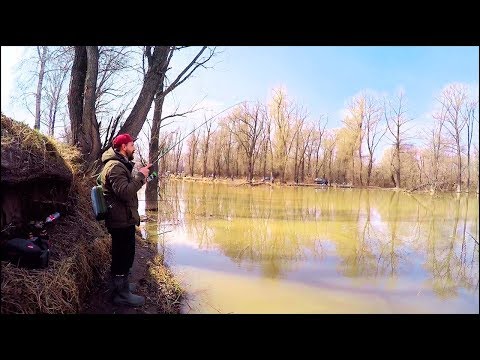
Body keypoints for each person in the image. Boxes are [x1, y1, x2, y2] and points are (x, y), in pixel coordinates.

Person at [100, 133, 152, 307]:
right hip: (120, 221)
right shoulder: (115, 166)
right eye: (131, 145)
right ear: (124, 147)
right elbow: (125, 192)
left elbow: (128, 186)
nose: (134, 148)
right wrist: (140, 177)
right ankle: (121, 294)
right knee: (122, 256)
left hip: (124, 219)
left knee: (126, 254)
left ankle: (122, 286)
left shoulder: (121, 165)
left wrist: (144, 175)